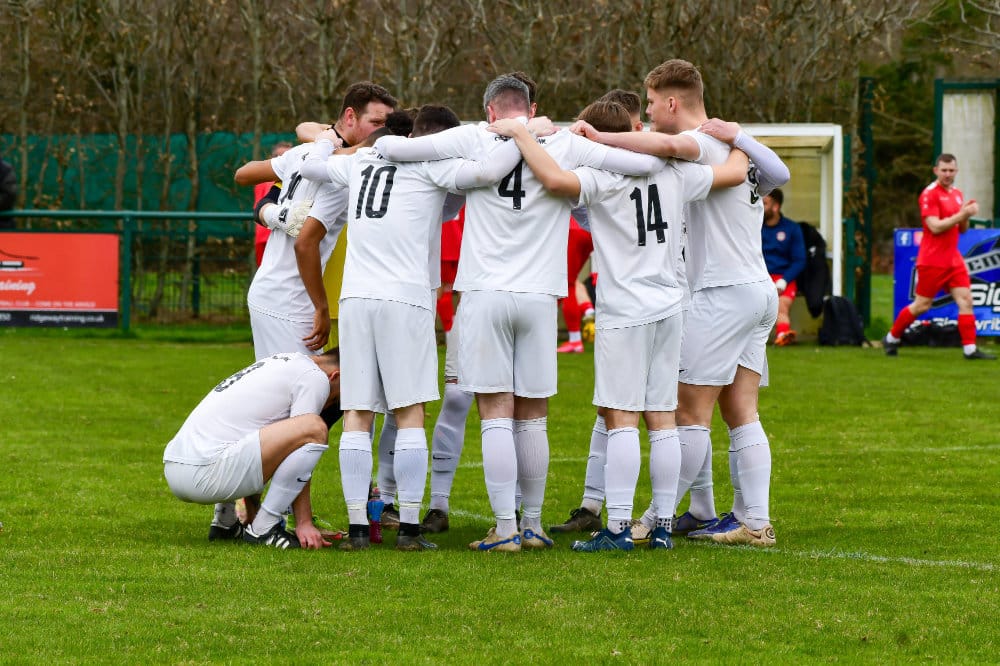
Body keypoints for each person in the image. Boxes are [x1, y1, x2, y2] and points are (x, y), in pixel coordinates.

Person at [375, 75, 663, 552]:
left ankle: (505, 528)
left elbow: (396, 150)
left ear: (490, 111)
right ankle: (532, 525)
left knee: (494, 414)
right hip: (540, 296)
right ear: (532, 108)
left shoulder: (473, 136)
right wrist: (593, 136)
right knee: (532, 418)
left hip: (485, 294)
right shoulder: (563, 142)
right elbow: (646, 161)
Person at [490, 98, 749, 552]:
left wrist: (523, 134)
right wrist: (742, 141)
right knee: (663, 417)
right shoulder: (675, 173)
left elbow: (551, 178)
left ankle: (617, 527)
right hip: (671, 304)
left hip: (625, 309)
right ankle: (664, 525)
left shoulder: (600, 178)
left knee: (621, 418)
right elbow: (733, 172)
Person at [575, 60, 790, 547]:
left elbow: (669, 145)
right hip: (757, 290)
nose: (646, 116)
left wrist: (597, 139)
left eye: (650, 104)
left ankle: (655, 517)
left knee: (688, 414)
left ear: (672, 102)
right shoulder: (734, 145)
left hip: (718, 293)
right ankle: (752, 520)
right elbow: (776, 173)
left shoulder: (702, 144)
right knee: (742, 411)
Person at [300, 105, 523, 551]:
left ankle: (359, 529)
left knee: (359, 415)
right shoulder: (432, 166)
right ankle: (409, 529)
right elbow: (490, 170)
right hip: (405, 298)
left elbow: (310, 163)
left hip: (356, 297)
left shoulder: (361, 162)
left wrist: (330, 138)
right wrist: (521, 132)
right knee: (410, 413)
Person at [163, 349, 343, 550]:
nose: (331, 403)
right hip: (204, 473)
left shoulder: (285, 362)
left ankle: (225, 522)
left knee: (254, 430)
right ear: (336, 376)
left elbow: (255, 437)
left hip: (175, 467)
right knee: (314, 427)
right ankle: (264, 528)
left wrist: (251, 510)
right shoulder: (315, 378)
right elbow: (304, 437)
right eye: (336, 398)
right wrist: (304, 522)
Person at [883, 154, 994, 360]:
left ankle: (969, 349)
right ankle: (891, 337)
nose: (947, 174)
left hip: (953, 258)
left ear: (956, 171)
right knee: (921, 305)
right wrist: (962, 214)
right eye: (944, 170)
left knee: (966, 300)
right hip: (932, 260)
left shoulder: (957, 194)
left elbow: (962, 229)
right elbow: (934, 227)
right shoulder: (929, 194)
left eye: (951, 170)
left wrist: (966, 215)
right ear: (935, 170)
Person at [761, 188, 806, 346]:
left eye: (765, 203)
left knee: (782, 305)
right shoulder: (754, 227)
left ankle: (782, 334)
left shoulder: (792, 229)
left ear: (776, 206)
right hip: (760, 277)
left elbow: (800, 260)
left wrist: (784, 280)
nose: (760, 206)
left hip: (784, 278)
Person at [252, 142, 293, 267]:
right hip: (264, 236)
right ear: (271, 158)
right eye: (277, 156)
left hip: (285, 237)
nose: (281, 160)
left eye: (286, 156)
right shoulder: (263, 180)